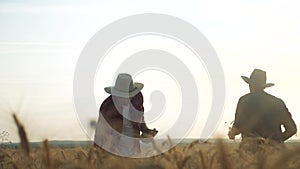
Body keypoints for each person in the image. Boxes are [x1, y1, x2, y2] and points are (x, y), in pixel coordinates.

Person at [94, 73, 158, 156]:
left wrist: (147, 132)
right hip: (114, 154)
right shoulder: (107, 108)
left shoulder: (137, 98)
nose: (126, 99)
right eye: (122, 96)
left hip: (134, 152)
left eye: (129, 96)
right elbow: (100, 136)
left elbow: (140, 118)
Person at [228, 69, 297, 143]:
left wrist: (231, 134)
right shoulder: (277, 102)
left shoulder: (244, 101)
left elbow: (236, 129)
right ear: (264, 86)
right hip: (274, 151)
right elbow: (292, 129)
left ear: (250, 85)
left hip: (250, 151)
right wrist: (275, 142)